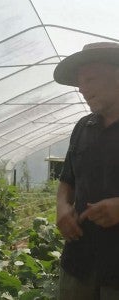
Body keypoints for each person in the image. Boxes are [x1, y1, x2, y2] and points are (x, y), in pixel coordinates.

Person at [54, 41, 119, 300]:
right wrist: (62, 208)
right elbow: (67, 181)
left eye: (91, 79)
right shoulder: (84, 126)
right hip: (79, 263)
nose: (82, 90)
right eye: (79, 83)